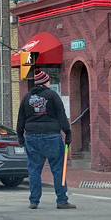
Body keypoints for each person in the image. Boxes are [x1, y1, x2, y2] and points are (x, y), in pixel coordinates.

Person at [17, 69, 76, 210]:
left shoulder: (27, 97)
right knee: (58, 169)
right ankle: (62, 200)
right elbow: (61, 115)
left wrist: (20, 136)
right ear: (46, 82)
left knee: (34, 170)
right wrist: (67, 133)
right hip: (51, 136)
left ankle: (34, 201)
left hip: (31, 136)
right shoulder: (52, 95)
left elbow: (21, 118)